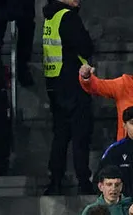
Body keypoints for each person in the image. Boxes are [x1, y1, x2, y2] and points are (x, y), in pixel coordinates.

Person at [42, 0, 95, 195]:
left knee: (61, 134)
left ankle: (55, 181)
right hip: (73, 82)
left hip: (54, 83)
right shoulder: (68, 16)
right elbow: (86, 47)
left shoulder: (50, 16)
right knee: (80, 133)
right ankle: (83, 181)